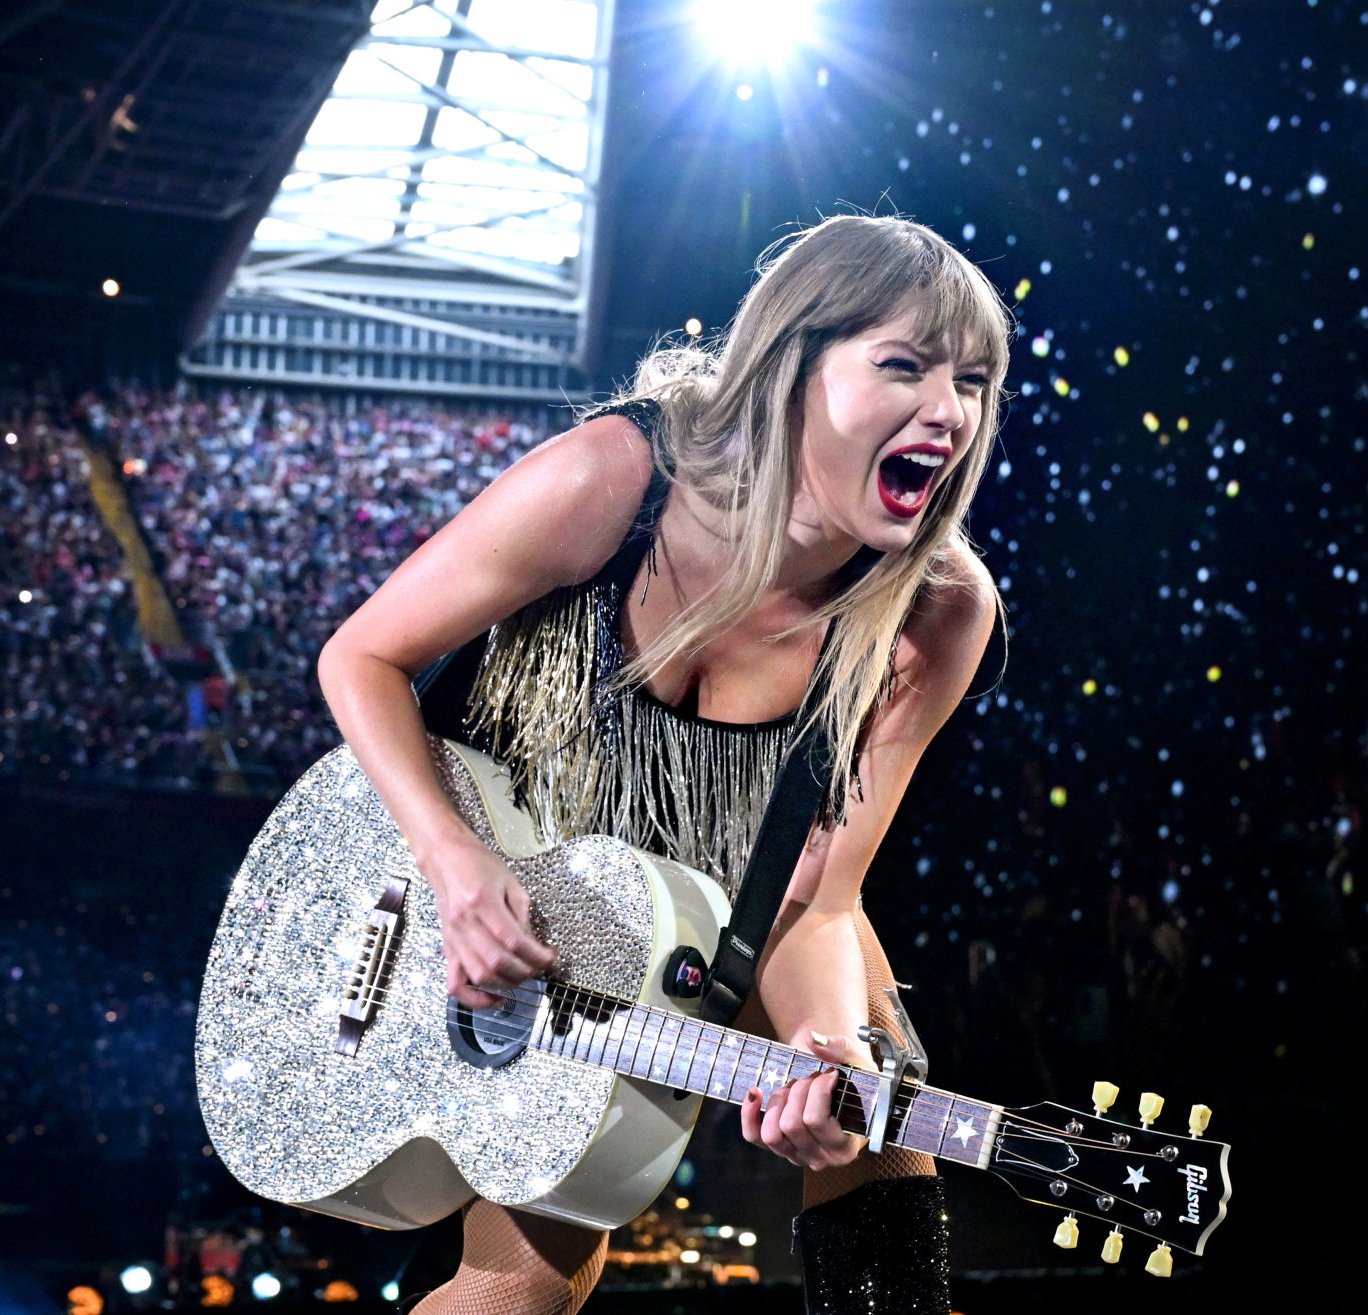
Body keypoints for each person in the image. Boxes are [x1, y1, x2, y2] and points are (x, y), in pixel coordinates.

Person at [315, 214, 1011, 1314]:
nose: (950, 411)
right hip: (521, 897)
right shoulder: (617, 478)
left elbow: (819, 896)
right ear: (789, 365)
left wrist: (824, 1050)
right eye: (904, 365)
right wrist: (452, 868)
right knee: (530, 1282)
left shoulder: (934, 613)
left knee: (876, 1124)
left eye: (972, 381)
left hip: (737, 899)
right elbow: (361, 654)